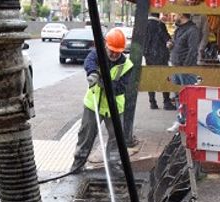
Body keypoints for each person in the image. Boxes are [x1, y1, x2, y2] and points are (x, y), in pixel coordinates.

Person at [70, 29, 134, 172]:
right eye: (111, 50)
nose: (114, 54)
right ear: (106, 45)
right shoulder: (97, 54)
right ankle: (78, 165)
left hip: (114, 108)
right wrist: (92, 73)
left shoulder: (127, 65)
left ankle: (113, 165)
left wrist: (103, 82)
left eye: (117, 51)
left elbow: (121, 88)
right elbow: (89, 61)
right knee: (86, 136)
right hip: (93, 105)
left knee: (116, 139)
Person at [166, 13, 201, 131]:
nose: (173, 17)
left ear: (181, 15)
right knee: (178, 95)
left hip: (185, 69)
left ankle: (186, 121)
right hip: (176, 66)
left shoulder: (193, 30)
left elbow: (193, 51)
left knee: (187, 96)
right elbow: (179, 46)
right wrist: (171, 46)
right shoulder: (179, 29)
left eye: (174, 15)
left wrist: (185, 67)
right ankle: (181, 120)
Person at [145, 13, 174, 110]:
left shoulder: (145, 24)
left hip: (149, 56)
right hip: (161, 56)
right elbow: (167, 40)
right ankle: (166, 102)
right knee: (164, 78)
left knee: (150, 79)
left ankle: (152, 102)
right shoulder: (159, 25)